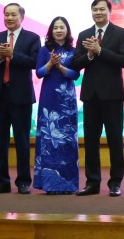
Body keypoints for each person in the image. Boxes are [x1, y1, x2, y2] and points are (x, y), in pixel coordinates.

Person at [72, 0, 124, 197]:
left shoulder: (120, 33)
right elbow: (75, 64)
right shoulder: (84, 34)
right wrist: (89, 55)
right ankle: (92, 182)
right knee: (91, 141)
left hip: (112, 96)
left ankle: (115, 183)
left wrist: (100, 51)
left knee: (115, 140)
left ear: (109, 11)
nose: (98, 12)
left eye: (102, 9)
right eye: (95, 9)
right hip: (90, 95)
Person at [0, 3, 41, 195]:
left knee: (22, 140)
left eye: (13, 15)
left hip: (22, 96)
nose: (9, 18)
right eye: (6, 15)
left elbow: (35, 62)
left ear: (22, 17)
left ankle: (23, 181)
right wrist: (0, 58)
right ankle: (1, 182)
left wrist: (12, 55)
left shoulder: (32, 38)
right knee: (0, 141)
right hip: (0, 94)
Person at [33, 16, 80, 195]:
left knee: (67, 139)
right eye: (55, 28)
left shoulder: (74, 51)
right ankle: (48, 183)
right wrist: (51, 63)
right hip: (48, 99)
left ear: (67, 30)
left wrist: (60, 67)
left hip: (66, 101)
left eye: (62, 27)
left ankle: (68, 184)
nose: (59, 30)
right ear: (51, 31)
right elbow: (39, 73)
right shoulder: (45, 50)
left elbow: (75, 75)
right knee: (48, 139)